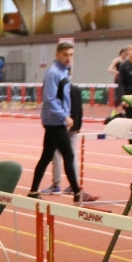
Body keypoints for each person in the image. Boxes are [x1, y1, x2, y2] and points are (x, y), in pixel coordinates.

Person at [27, 41, 94, 204]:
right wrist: (65, 116)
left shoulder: (64, 72)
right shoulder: (53, 73)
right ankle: (77, 192)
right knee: (68, 155)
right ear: (57, 55)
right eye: (65, 55)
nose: (68, 58)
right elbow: (49, 99)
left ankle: (33, 191)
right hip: (54, 122)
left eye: (71, 55)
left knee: (46, 156)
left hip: (56, 121)